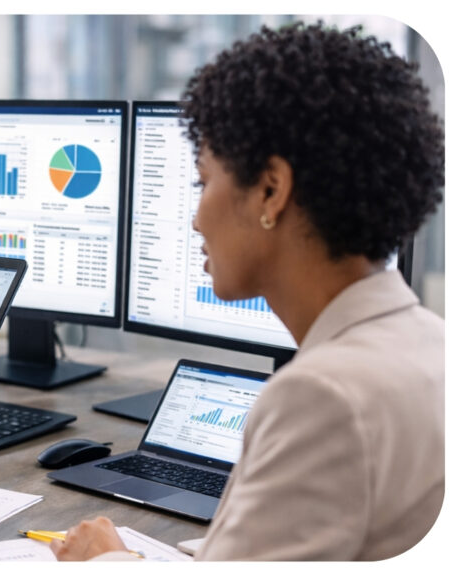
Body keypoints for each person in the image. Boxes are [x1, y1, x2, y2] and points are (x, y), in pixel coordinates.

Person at [51, 22, 444, 562]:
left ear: (271, 190)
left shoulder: (321, 397)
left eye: (202, 181)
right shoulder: (433, 344)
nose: (195, 219)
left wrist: (108, 562)